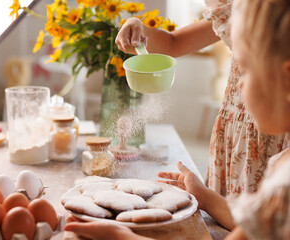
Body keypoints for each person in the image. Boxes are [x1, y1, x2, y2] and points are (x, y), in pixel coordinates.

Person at [65, 0, 290, 239]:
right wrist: (206, 198)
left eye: (243, 69)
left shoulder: (282, 183)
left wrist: (124, 237)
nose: (238, 83)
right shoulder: (282, 167)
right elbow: (253, 229)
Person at [116, 0, 290, 197]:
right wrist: (136, 26)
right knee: (226, 215)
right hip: (235, 130)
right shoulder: (244, 8)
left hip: (271, 136)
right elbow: (174, 43)